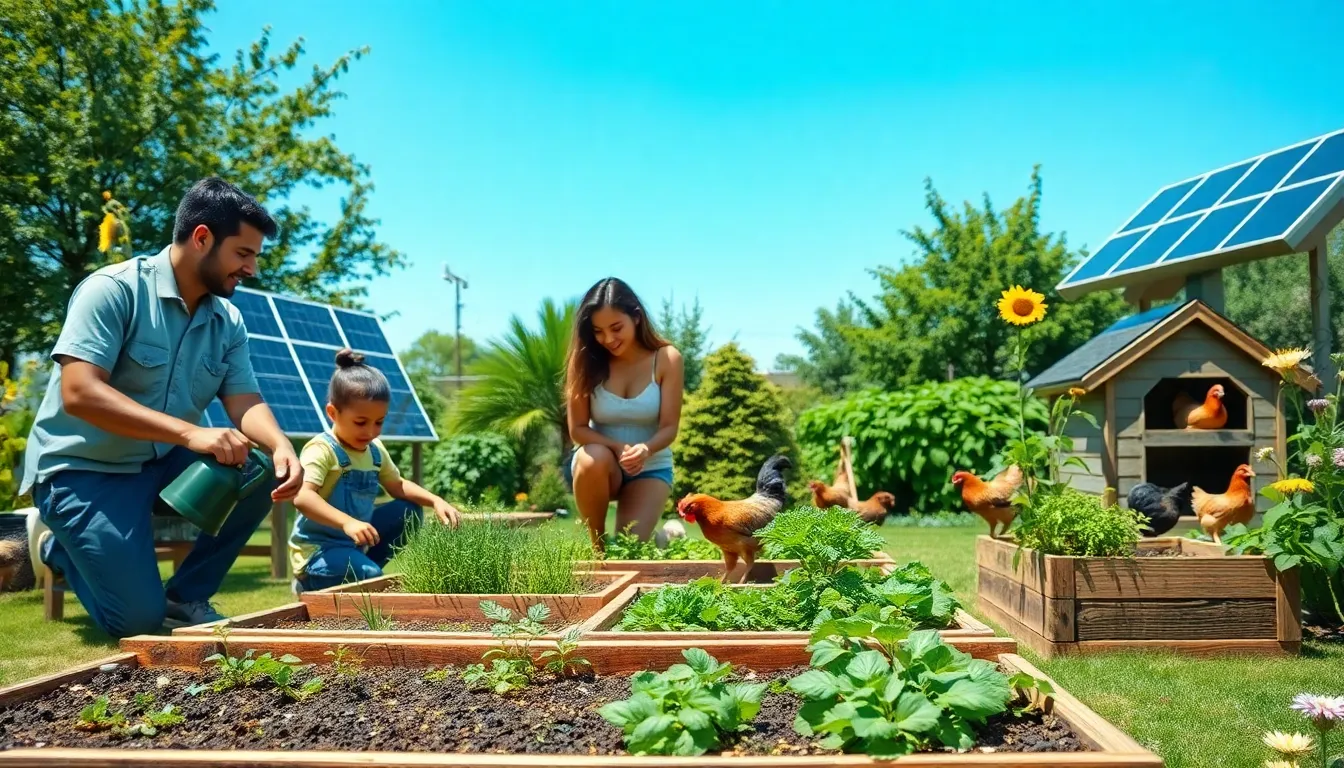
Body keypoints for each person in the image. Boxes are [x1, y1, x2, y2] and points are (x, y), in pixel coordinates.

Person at [22, 178, 306, 637]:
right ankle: (59, 548)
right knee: (139, 622)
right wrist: (190, 433)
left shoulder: (226, 319)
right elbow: (80, 393)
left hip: (158, 463)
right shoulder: (111, 290)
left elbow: (243, 399)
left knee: (261, 472)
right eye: (243, 254)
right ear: (201, 238)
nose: (251, 269)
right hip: (82, 470)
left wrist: (279, 445)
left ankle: (186, 595)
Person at [289, 349, 462, 592]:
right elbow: (303, 497)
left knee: (409, 510)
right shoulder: (321, 449)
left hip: (354, 545)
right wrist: (348, 523)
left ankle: (364, 570)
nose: (370, 432)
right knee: (371, 576)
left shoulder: (374, 450)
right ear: (332, 413)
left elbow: (398, 485)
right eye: (360, 422)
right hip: (319, 551)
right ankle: (309, 583)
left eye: (379, 422)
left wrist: (436, 501)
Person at [566, 278, 684, 550]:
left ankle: (667, 538)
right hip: (600, 467)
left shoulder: (667, 359)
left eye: (616, 328)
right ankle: (597, 549)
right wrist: (619, 448)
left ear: (637, 317)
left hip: (650, 467)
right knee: (590, 456)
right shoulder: (583, 361)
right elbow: (578, 430)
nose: (608, 339)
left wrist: (644, 449)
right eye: (598, 331)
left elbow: (669, 427)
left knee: (631, 549)